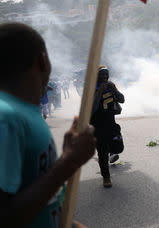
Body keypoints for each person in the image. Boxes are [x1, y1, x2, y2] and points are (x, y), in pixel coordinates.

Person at [0, 22, 96, 228]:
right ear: (43, 60)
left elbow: (40, 199)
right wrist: (69, 161)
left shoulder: (25, 112)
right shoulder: (5, 117)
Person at [90, 66, 124, 188]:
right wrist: (99, 92)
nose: (105, 77)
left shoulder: (110, 85)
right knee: (103, 152)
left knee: (118, 147)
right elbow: (91, 109)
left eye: (106, 74)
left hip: (111, 123)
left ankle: (107, 155)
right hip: (98, 126)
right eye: (102, 75)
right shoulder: (91, 89)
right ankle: (106, 177)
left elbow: (122, 99)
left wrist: (115, 90)